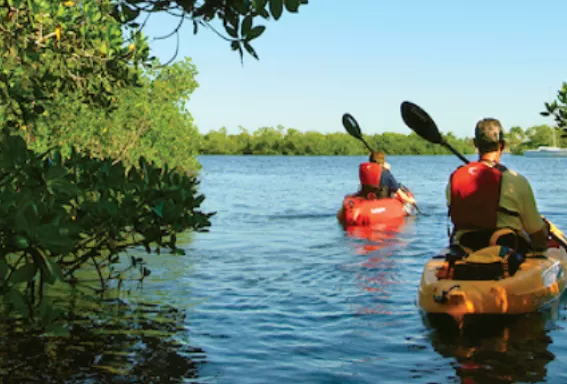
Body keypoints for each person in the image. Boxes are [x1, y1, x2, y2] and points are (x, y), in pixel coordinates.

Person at [445, 118, 548, 253]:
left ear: (475, 144)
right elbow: (536, 235)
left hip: (466, 249)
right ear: (502, 145)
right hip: (505, 252)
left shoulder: (455, 179)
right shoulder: (516, 181)